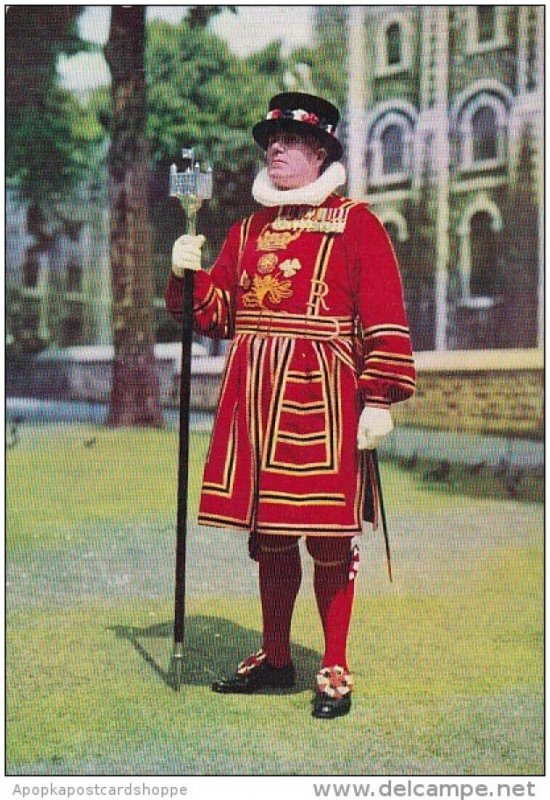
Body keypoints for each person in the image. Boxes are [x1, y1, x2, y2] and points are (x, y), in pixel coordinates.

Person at [165, 92, 415, 719]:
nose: (274, 148)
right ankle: (276, 657)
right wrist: (185, 274)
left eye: (289, 140)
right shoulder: (247, 230)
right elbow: (214, 314)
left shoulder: (358, 223)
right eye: (269, 140)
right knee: (270, 536)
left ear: (321, 150)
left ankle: (333, 664)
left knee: (329, 537)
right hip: (255, 396)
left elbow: (383, 313)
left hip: (324, 399)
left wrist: (378, 399)